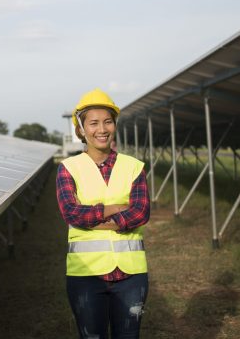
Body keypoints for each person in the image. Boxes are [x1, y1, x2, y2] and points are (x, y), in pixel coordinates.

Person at [56, 88, 151, 339]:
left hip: (131, 275)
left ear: (114, 125)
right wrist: (114, 209)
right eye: (93, 123)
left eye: (108, 121)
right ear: (81, 129)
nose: (102, 129)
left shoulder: (134, 167)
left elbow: (140, 213)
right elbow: (71, 213)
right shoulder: (68, 168)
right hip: (85, 274)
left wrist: (92, 218)